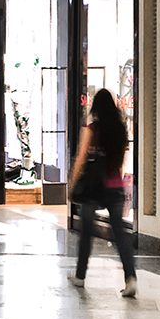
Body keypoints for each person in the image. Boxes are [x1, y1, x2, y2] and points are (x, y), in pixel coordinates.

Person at [68, 87, 137, 297]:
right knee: (119, 234)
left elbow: (81, 159)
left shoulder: (92, 129)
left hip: (94, 188)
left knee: (86, 233)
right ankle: (130, 277)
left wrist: (72, 183)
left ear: (96, 106)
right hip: (115, 187)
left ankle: (80, 276)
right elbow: (122, 159)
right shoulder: (120, 129)